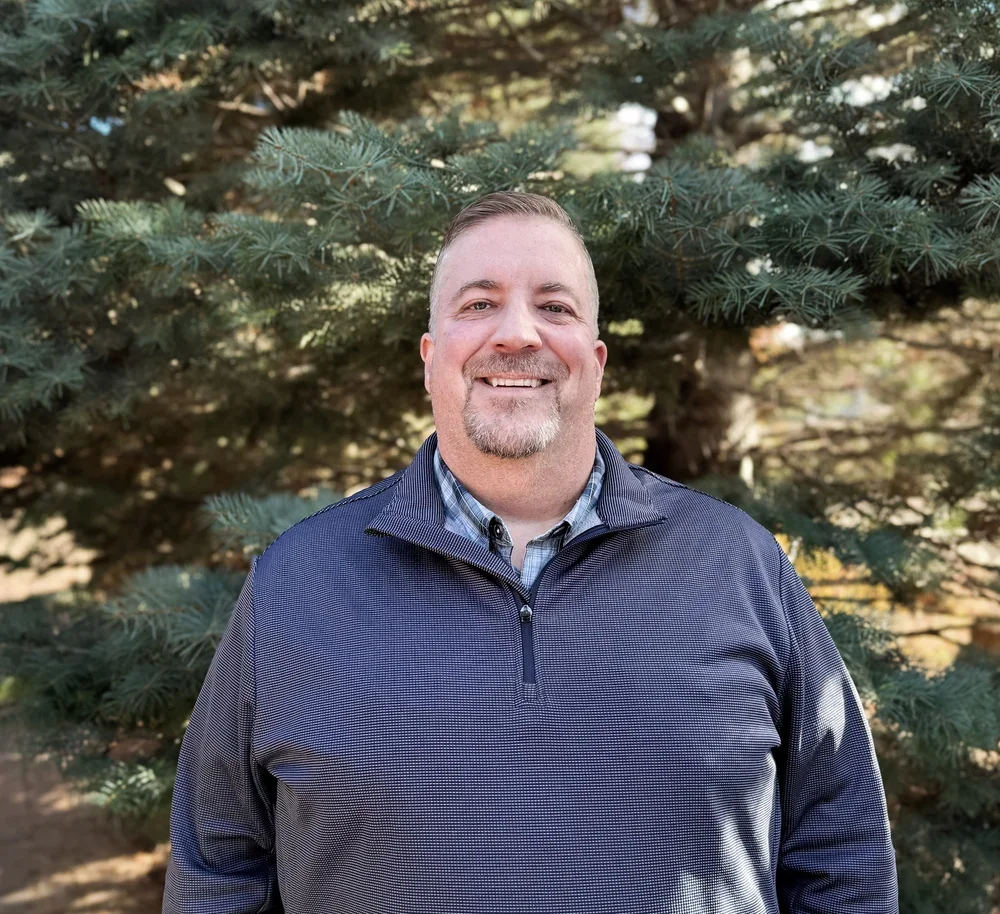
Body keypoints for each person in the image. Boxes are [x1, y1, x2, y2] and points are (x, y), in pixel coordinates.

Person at [163, 192, 898, 914]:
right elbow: (218, 873)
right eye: (479, 304)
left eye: (555, 306)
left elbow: (843, 858)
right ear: (430, 360)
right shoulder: (295, 581)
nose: (517, 333)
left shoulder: (739, 563)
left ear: (596, 362)